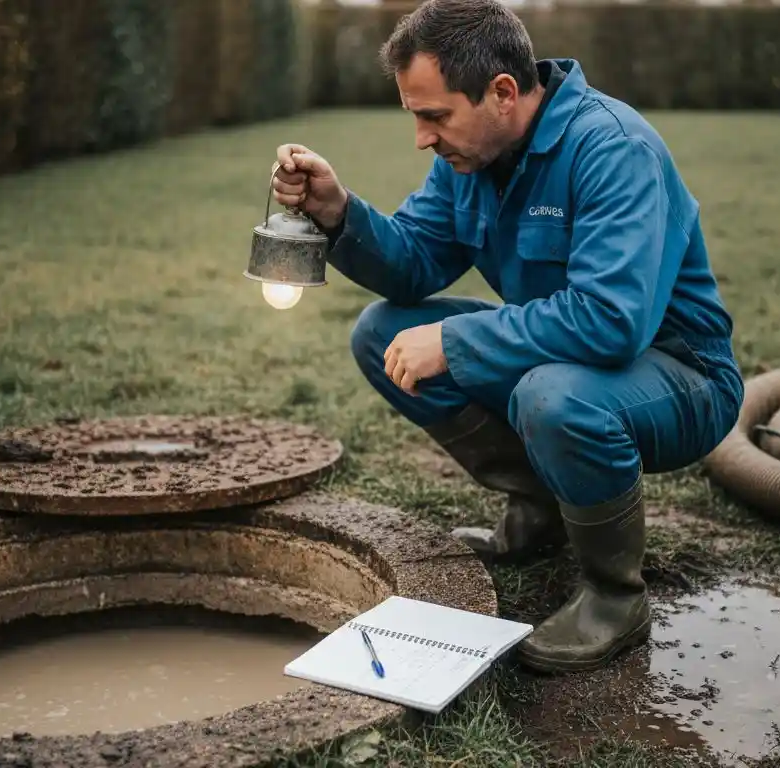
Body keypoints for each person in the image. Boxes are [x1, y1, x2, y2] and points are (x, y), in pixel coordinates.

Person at [271, 0, 743, 674]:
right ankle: (542, 508)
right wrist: (336, 212)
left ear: (502, 93)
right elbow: (412, 263)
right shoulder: (470, 158)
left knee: (552, 396)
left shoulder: (613, 148)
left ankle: (615, 596)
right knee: (384, 333)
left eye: (434, 116)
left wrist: (458, 341)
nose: (422, 138)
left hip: (679, 374)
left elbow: (612, 322)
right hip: (564, 364)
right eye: (415, 115)